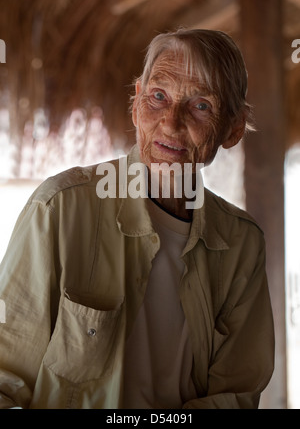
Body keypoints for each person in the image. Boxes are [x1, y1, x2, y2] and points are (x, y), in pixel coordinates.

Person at [0, 28, 274, 409]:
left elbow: (235, 395)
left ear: (233, 129)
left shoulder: (242, 244)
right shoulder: (60, 209)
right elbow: (5, 379)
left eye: (200, 106)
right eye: (158, 97)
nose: (171, 123)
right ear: (135, 103)